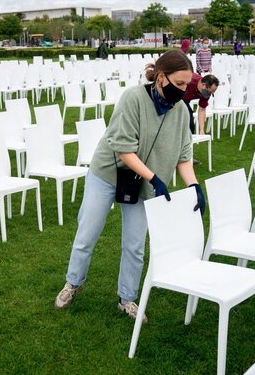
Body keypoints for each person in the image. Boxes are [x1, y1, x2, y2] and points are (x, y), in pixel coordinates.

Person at [54, 50, 204, 322]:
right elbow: (124, 150)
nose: (184, 90)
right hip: (108, 174)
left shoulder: (181, 111)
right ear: (161, 77)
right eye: (179, 84)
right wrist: (156, 178)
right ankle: (72, 283)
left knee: (135, 244)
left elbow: (184, 156)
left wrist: (194, 185)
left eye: (187, 85)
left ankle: (127, 298)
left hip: (144, 181)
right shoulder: (133, 98)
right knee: (88, 233)